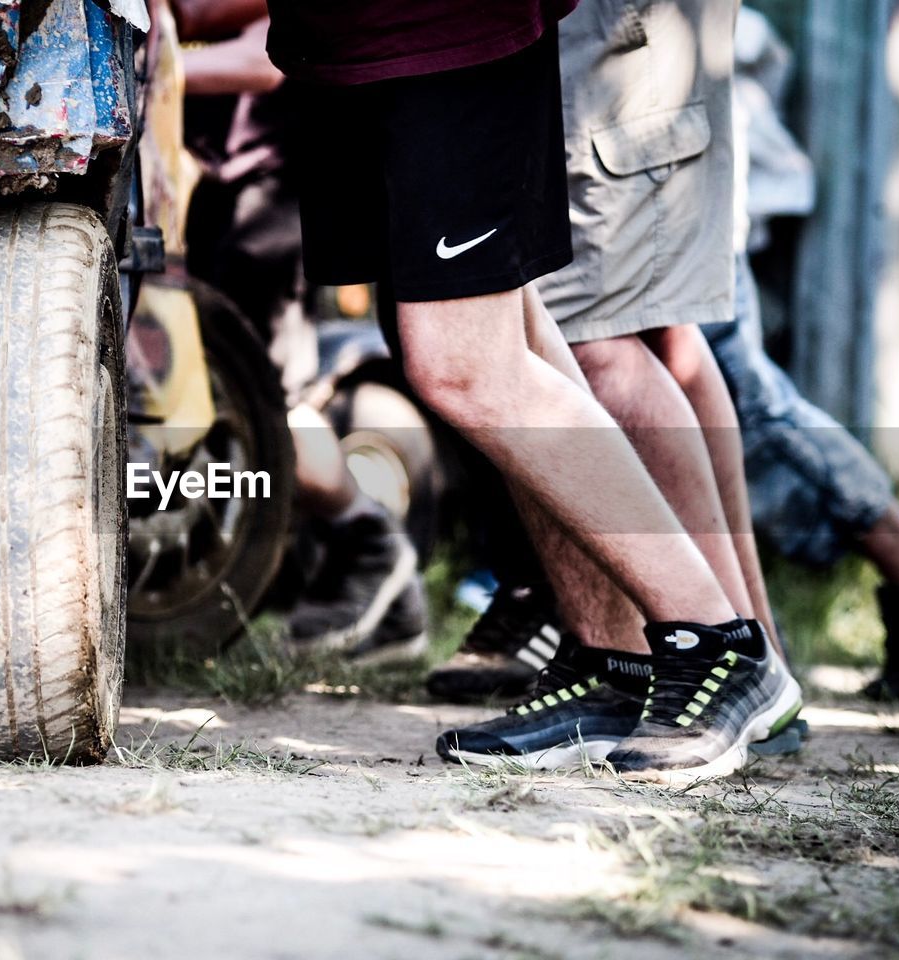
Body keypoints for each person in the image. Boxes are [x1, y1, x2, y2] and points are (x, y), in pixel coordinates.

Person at [264, 0, 800, 780]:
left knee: (466, 365)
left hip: (445, 30)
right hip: (345, 42)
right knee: (495, 326)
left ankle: (719, 641)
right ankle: (609, 666)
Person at [175, 0, 428, 663]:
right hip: (203, 187)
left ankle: (367, 539)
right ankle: (393, 601)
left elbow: (263, 61)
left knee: (267, 403)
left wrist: (149, 66)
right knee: (215, 401)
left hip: (260, 191)